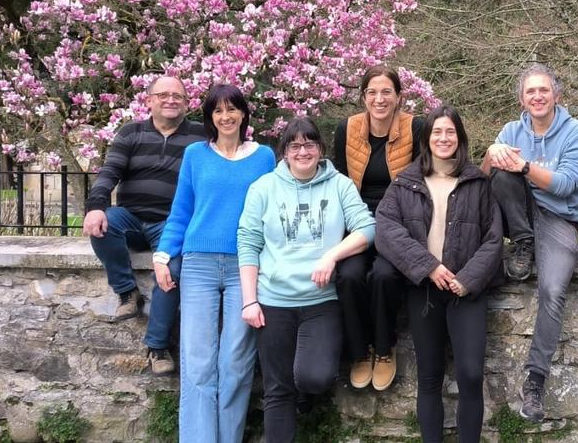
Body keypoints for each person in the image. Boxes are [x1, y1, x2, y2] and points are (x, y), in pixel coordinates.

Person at [238, 117, 376, 443]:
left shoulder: (339, 184)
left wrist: (331, 256)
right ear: (284, 151)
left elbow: (367, 228)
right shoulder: (263, 188)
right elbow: (248, 242)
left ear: (321, 148)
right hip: (273, 301)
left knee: (316, 377)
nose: (303, 151)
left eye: (310, 144)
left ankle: (304, 390)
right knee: (277, 389)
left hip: (321, 300)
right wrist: (249, 301)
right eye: (295, 145)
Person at [153, 84, 275, 443]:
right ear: (209, 117)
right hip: (199, 266)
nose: (226, 117)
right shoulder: (195, 154)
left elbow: (273, 212)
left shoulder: (264, 157)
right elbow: (181, 211)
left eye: (232, 109)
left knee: (236, 362)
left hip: (245, 267)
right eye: (218, 111)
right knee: (198, 363)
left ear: (243, 113)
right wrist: (162, 255)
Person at [376, 104, 502, 443]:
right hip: (425, 291)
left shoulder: (478, 182)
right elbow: (386, 229)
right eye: (437, 132)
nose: (443, 138)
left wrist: (468, 279)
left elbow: (493, 239)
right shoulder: (405, 183)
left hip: (466, 291)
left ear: (459, 137)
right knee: (429, 377)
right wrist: (428, 266)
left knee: (471, 375)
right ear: (427, 139)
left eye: (450, 132)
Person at [481, 63, 578, 423]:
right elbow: (484, 181)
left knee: (553, 290)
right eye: (530, 91)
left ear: (556, 94)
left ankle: (535, 381)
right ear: (522, 99)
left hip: (559, 219)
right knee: (501, 174)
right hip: (521, 217)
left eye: (544, 89)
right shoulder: (511, 131)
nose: (538, 96)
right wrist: (491, 153)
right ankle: (523, 243)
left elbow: (565, 184)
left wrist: (525, 166)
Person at [83, 75, 204, 375]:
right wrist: (96, 206)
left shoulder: (201, 136)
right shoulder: (131, 133)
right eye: (163, 95)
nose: (171, 100)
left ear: (187, 102)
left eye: (178, 96)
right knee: (104, 225)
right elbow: (110, 171)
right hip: (131, 217)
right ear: (148, 100)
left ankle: (157, 346)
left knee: (171, 271)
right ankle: (127, 292)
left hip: (172, 223)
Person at [332, 65, 423, 391]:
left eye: (386, 92)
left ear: (399, 96)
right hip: (358, 220)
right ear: (363, 97)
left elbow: (423, 181)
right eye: (372, 92)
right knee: (349, 275)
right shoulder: (347, 129)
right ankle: (360, 351)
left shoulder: (415, 128)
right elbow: (339, 182)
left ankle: (384, 349)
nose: (379, 99)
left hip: (397, 223)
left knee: (384, 275)